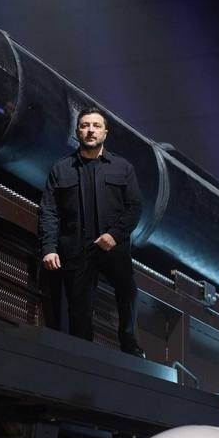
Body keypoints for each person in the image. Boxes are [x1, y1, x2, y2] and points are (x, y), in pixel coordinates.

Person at [38, 107, 146, 358]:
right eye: (85, 125)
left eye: (96, 126)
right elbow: (49, 211)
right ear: (77, 132)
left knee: (128, 292)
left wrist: (114, 235)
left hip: (113, 247)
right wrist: (49, 248)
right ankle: (84, 352)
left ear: (105, 133)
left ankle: (129, 343)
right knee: (79, 307)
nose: (90, 130)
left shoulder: (122, 167)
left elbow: (135, 206)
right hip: (76, 248)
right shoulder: (61, 169)